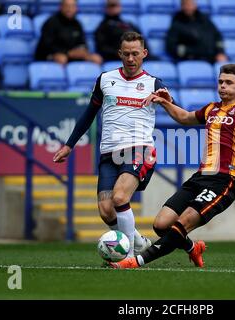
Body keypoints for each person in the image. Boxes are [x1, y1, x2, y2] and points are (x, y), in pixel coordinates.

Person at [108, 64, 235, 269]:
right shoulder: (211, 108)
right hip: (200, 177)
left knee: (183, 223)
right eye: (221, 82)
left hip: (224, 181)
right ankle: (192, 248)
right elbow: (185, 117)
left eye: (229, 83)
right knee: (161, 225)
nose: (223, 86)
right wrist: (165, 102)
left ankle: (135, 261)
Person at [53, 32, 172, 257]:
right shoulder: (105, 79)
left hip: (140, 149)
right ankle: (138, 241)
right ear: (119, 53)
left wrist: (166, 98)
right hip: (109, 152)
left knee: (119, 198)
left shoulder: (154, 83)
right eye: (126, 54)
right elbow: (89, 113)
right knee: (106, 211)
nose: (130, 58)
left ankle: (128, 258)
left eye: (135, 53)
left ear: (144, 54)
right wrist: (69, 145)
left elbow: (173, 105)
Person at [35, 0, 103, 65]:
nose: (69, 9)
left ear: (76, 8)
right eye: (67, 6)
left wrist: (82, 50)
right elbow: (47, 45)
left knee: (96, 59)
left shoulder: (77, 24)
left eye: (72, 6)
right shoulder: (51, 22)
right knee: (62, 59)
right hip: (51, 54)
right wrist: (67, 52)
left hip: (73, 55)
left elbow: (82, 42)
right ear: (61, 7)